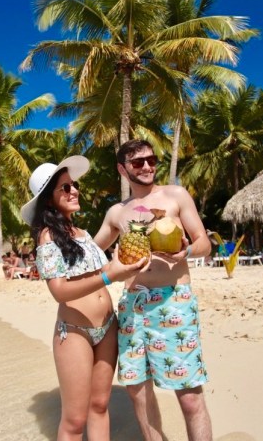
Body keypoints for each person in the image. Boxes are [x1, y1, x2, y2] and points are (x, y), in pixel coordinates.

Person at [20, 155, 148, 441]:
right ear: (49, 200)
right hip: (75, 332)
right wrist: (110, 275)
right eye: (64, 188)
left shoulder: (84, 234)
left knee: (100, 406)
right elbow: (59, 291)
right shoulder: (47, 237)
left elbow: (101, 268)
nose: (74, 190)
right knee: (75, 420)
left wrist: (122, 265)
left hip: (108, 327)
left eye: (73, 184)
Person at [94, 140, 213, 441]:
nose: (147, 166)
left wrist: (186, 251)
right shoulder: (116, 213)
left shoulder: (175, 195)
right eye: (137, 162)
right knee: (138, 393)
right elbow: (92, 253)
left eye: (151, 159)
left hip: (173, 300)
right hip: (132, 306)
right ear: (123, 169)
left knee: (189, 396)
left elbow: (204, 242)